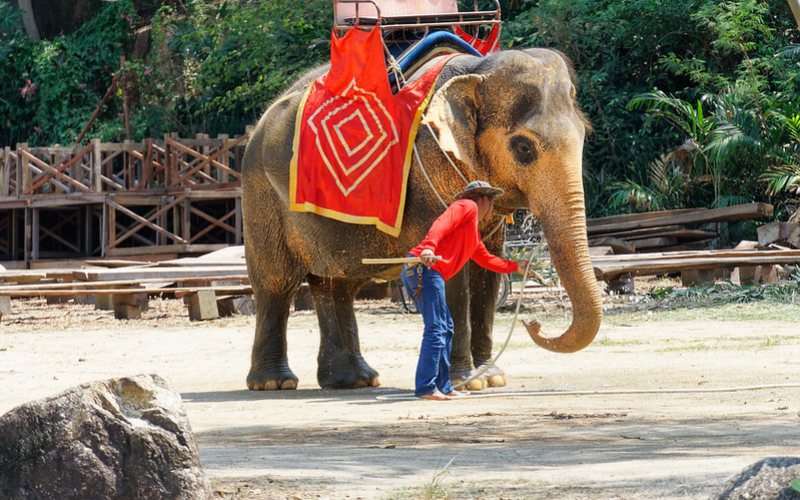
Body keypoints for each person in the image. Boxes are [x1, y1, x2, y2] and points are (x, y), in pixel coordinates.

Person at [402, 180, 525, 401]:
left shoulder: (473, 235)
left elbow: (488, 260)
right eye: (492, 203)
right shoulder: (467, 206)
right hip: (425, 269)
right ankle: (426, 387)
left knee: (446, 327)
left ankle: (444, 386)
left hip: (430, 273)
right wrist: (430, 246)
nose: (492, 209)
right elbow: (442, 222)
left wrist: (516, 267)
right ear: (484, 199)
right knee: (437, 328)